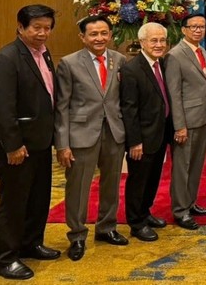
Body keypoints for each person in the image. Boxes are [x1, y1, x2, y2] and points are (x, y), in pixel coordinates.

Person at [0, 4, 61, 280]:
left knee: (38, 198)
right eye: (36, 28)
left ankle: (31, 243)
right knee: (14, 202)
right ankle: (5, 258)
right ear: (20, 27)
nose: (43, 33)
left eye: (47, 27)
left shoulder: (43, 53)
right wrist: (13, 145)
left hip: (40, 141)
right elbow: (3, 108)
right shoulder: (6, 58)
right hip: (18, 146)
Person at [54, 15, 128, 261]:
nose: (100, 38)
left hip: (114, 132)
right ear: (82, 37)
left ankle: (107, 227)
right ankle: (76, 235)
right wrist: (62, 144)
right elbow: (61, 107)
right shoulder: (69, 63)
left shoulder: (119, 60)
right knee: (78, 187)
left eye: (104, 33)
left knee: (111, 184)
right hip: (81, 135)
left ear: (110, 34)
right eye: (94, 34)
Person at [165, 13, 206, 229]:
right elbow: (174, 94)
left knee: (196, 166)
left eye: (201, 27)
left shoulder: (202, 51)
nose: (198, 30)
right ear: (183, 30)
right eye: (193, 27)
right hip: (187, 122)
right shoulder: (175, 55)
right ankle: (180, 210)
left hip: (203, 119)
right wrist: (179, 125)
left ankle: (191, 203)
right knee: (182, 168)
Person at [120, 22, 173, 242]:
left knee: (152, 179)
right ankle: (136, 222)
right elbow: (128, 109)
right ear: (142, 42)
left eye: (162, 40)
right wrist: (134, 142)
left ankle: (146, 212)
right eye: (154, 40)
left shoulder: (162, 64)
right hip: (141, 138)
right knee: (138, 181)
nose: (159, 44)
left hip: (159, 134)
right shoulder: (132, 69)